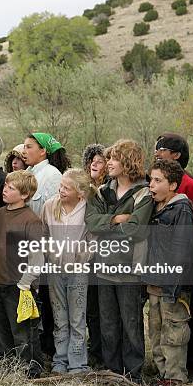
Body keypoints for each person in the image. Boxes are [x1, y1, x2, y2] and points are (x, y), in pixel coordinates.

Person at [84, 139, 154, 383]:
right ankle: (112, 372)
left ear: (128, 162)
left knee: (131, 324)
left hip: (130, 270)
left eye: (114, 158)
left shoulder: (144, 193)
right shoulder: (103, 190)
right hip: (103, 267)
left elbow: (136, 229)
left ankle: (133, 375)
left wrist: (107, 225)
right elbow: (91, 221)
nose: (108, 163)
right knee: (108, 323)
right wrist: (115, 220)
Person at [154, 133, 193, 377]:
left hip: (185, 258)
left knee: (186, 311)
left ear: (176, 155)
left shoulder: (188, 184)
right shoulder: (156, 184)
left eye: (162, 149)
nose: (157, 152)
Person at [0, 170, 45, 378]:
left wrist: (25, 283)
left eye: (11, 188)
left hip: (19, 286)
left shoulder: (31, 220)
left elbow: (37, 257)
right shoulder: (0, 214)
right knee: (0, 327)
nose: (5, 190)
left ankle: (30, 367)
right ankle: (7, 363)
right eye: (5, 186)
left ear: (24, 195)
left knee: (22, 330)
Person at [145, 159, 193, 386]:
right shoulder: (154, 206)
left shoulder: (182, 209)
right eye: (150, 180)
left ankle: (175, 376)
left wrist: (173, 286)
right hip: (154, 282)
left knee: (173, 332)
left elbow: (181, 249)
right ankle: (162, 372)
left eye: (158, 181)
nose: (151, 185)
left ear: (173, 185)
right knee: (155, 329)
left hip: (172, 285)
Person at [42, 168, 94, 374]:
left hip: (78, 272)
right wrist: (49, 252)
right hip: (55, 270)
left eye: (66, 188)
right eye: (61, 185)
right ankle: (60, 361)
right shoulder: (49, 205)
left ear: (80, 193)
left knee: (77, 318)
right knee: (59, 318)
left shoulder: (88, 208)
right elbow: (43, 233)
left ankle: (78, 363)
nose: (61, 190)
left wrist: (82, 257)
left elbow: (94, 240)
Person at [23, 132, 70, 358]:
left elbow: (56, 215)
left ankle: (50, 349)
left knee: (48, 302)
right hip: (29, 246)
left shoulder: (51, 175)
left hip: (46, 248)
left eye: (29, 146)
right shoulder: (29, 174)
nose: (24, 151)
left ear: (43, 151)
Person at [81, 143, 107, 367]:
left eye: (99, 161)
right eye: (92, 161)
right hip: (85, 256)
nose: (94, 165)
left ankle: (102, 353)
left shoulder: (109, 190)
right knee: (90, 308)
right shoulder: (85, 187)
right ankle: (94, 351)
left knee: (102, 309)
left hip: (105, 255)